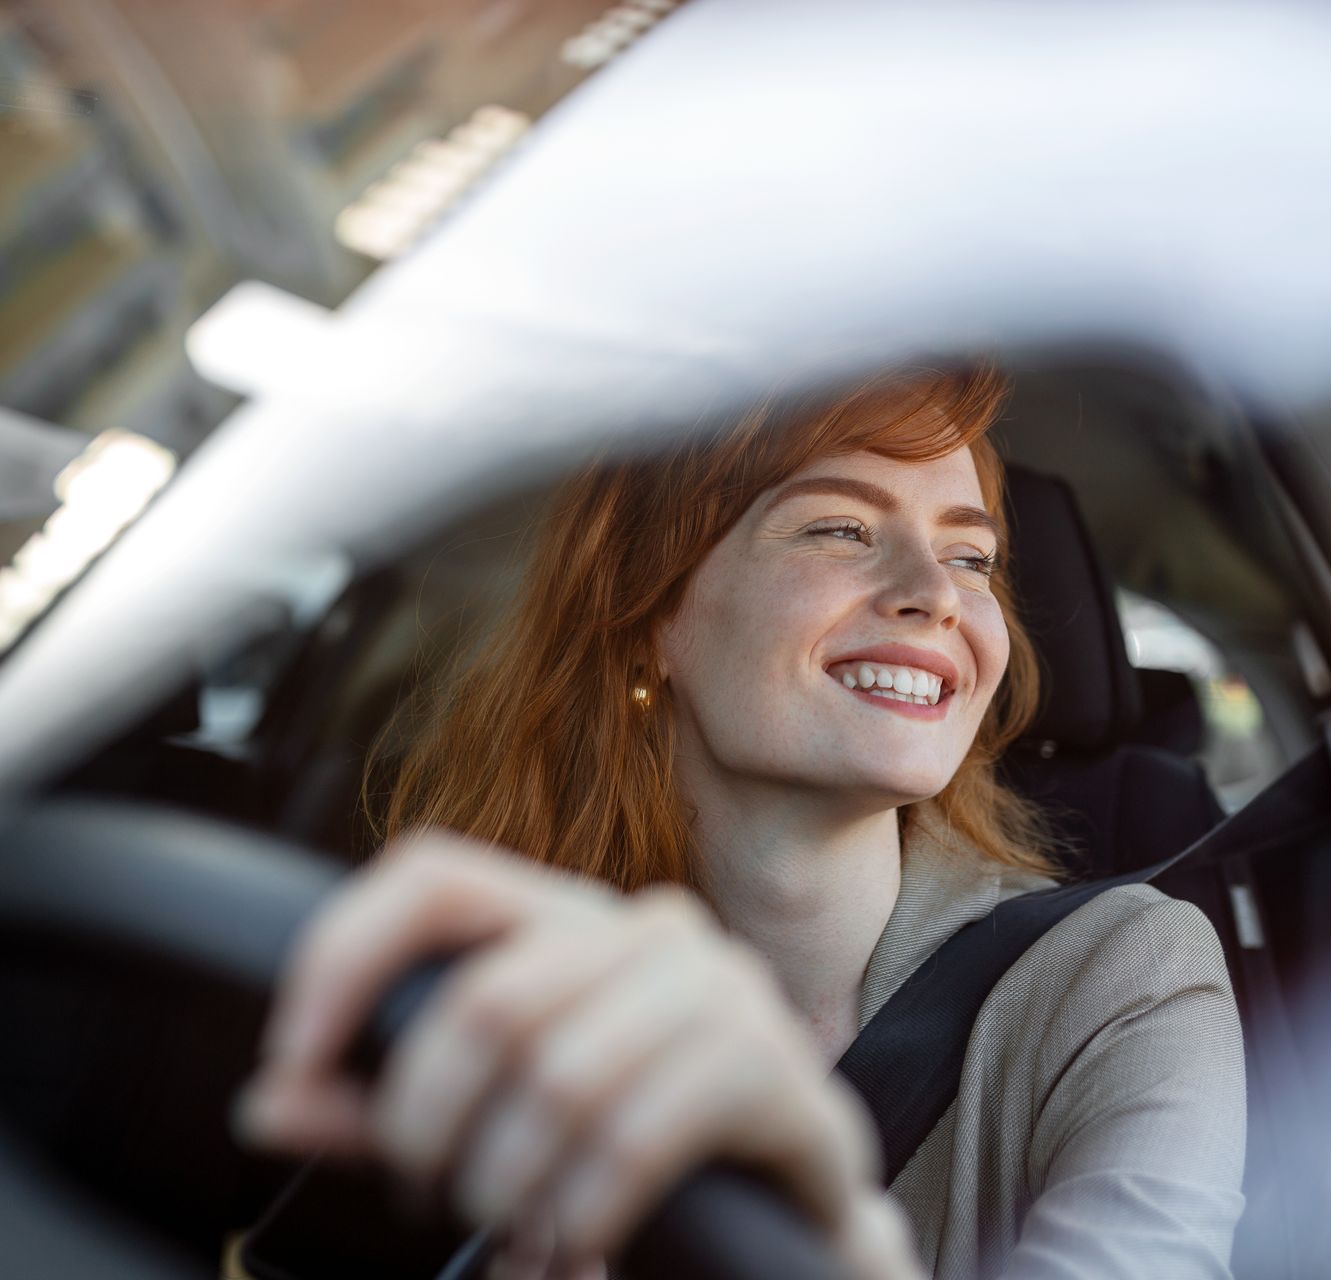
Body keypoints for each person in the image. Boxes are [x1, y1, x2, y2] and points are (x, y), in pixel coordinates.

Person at [234, 364, 1247, 1279]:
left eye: (972, 556)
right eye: (841, 527)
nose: (937, 593)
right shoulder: (490, 998)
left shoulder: (1128, 974)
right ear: (653, 619)